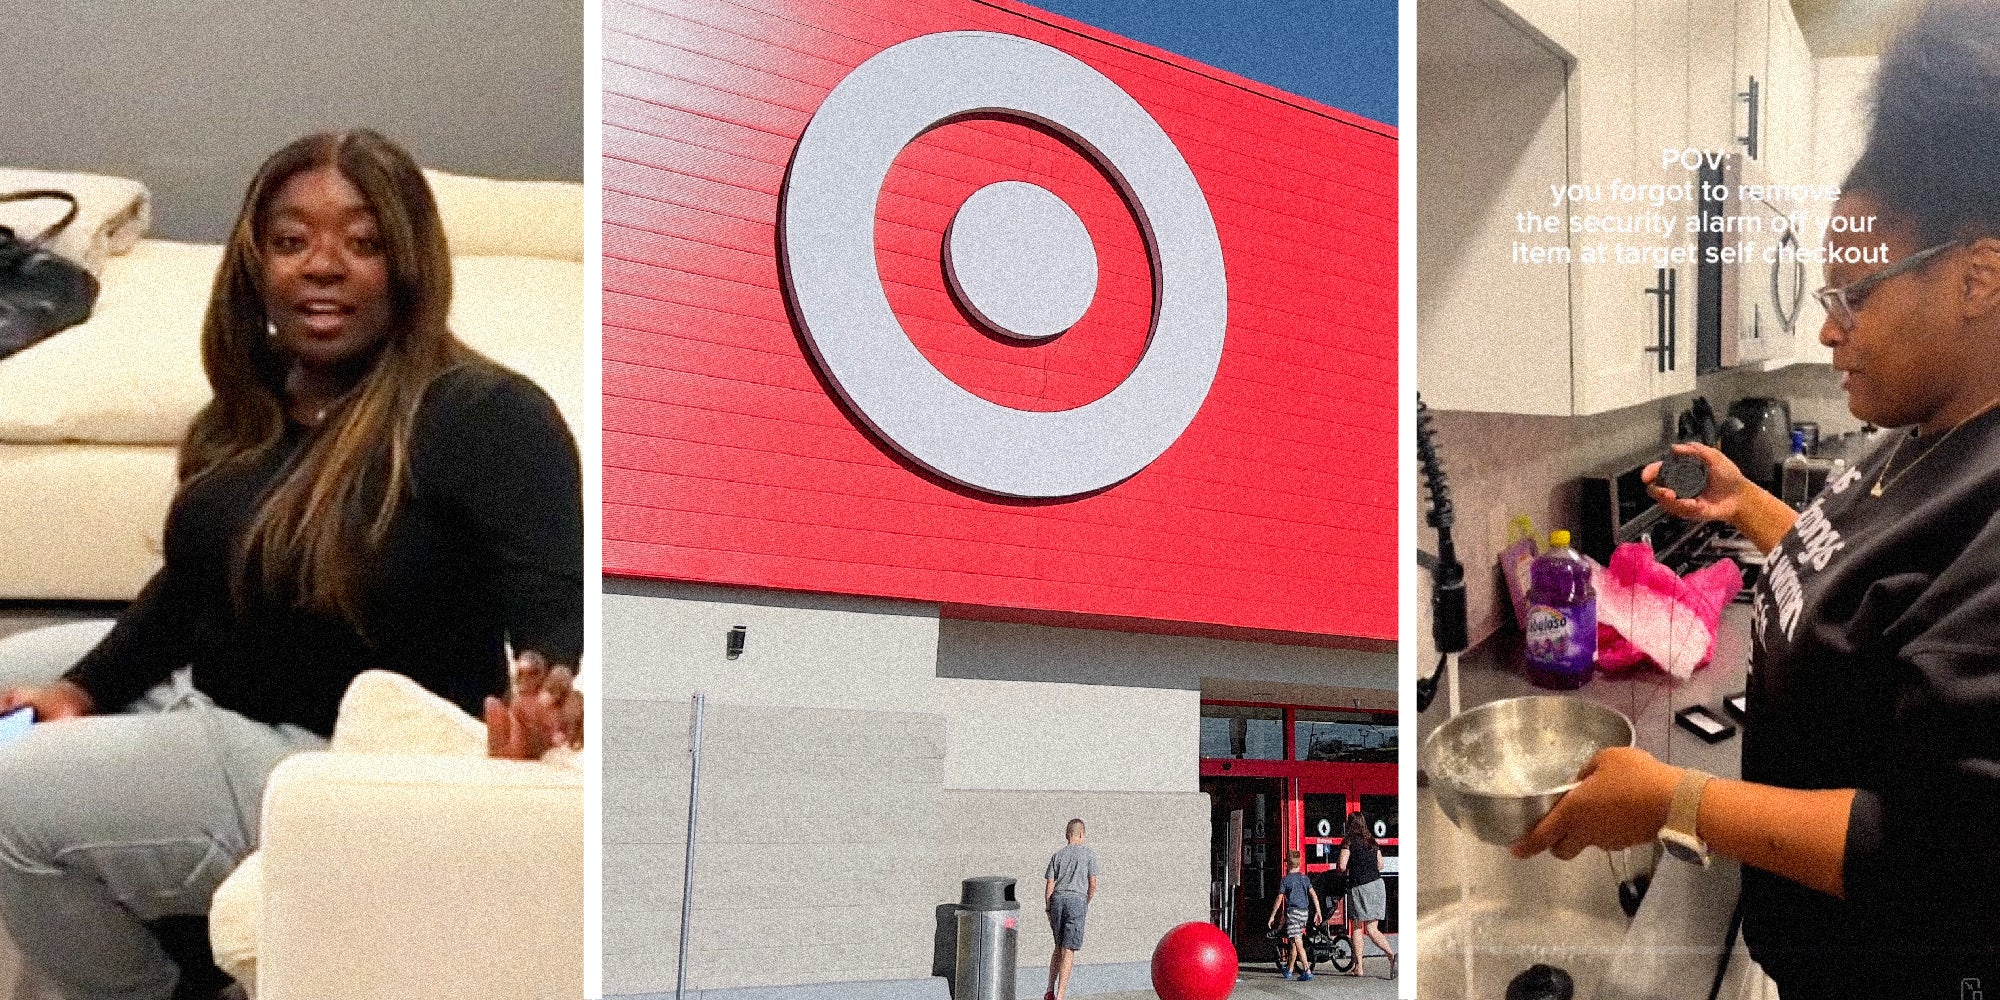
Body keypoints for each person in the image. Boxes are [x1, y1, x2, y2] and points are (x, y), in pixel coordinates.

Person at [0, 129, 583, 1000]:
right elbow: (193, 581)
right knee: (15, 675)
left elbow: (555, 609)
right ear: (255, 264)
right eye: (291, 240)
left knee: (8, 800)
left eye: (363, 241)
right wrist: (82, 690)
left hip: (330, 750)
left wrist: (547, 699)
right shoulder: (265, 401)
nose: (323, 264)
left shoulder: (486, 415)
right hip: (223, 677)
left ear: (410, 263)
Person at [1511, 6, 2000, 996]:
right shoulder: (1929, 435)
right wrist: (1748, 510)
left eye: (1852, 295)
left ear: (1976, 278)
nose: (1829, 332)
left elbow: (1935, 855)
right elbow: (1880, 596)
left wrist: (1669, 799)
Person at [1043, 818, 1099, 1000]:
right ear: (1081, 834)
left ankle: (1049, 990)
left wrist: (1048, 909)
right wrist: (1086, 900)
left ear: (1067, 835)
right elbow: (1093, 883)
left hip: (1057, 900)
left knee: (1058, 946)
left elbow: (1049, 886)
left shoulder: (1057, 855)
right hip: (1076, 901)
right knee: (1069, 949)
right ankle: (1061, 995)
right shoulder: (1089, 855)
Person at [1337, 812, 1395, 979]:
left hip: (1359, 886)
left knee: (1357, 926)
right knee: (1372, 928)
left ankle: (1359, 967)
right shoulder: (1372, 842)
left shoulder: (1348, 841)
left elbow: (1341, 865)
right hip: (1377, 885)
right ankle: (1391, 955)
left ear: (1349, 824)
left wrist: (1342, 870)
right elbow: (1381, 864)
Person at [1265, 849, 1319, 981]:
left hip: (1293, 913)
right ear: (1299, 864)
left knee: (1297, 941)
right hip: (1304, 913)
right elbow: (1313, 894)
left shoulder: (1285, 880)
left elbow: (1279, 899)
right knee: (1295, 940)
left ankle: (1307, 970)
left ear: (1287, 864)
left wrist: (1272, 916)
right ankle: (1289, 970)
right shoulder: (1304, 878)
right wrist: (1318, 911)